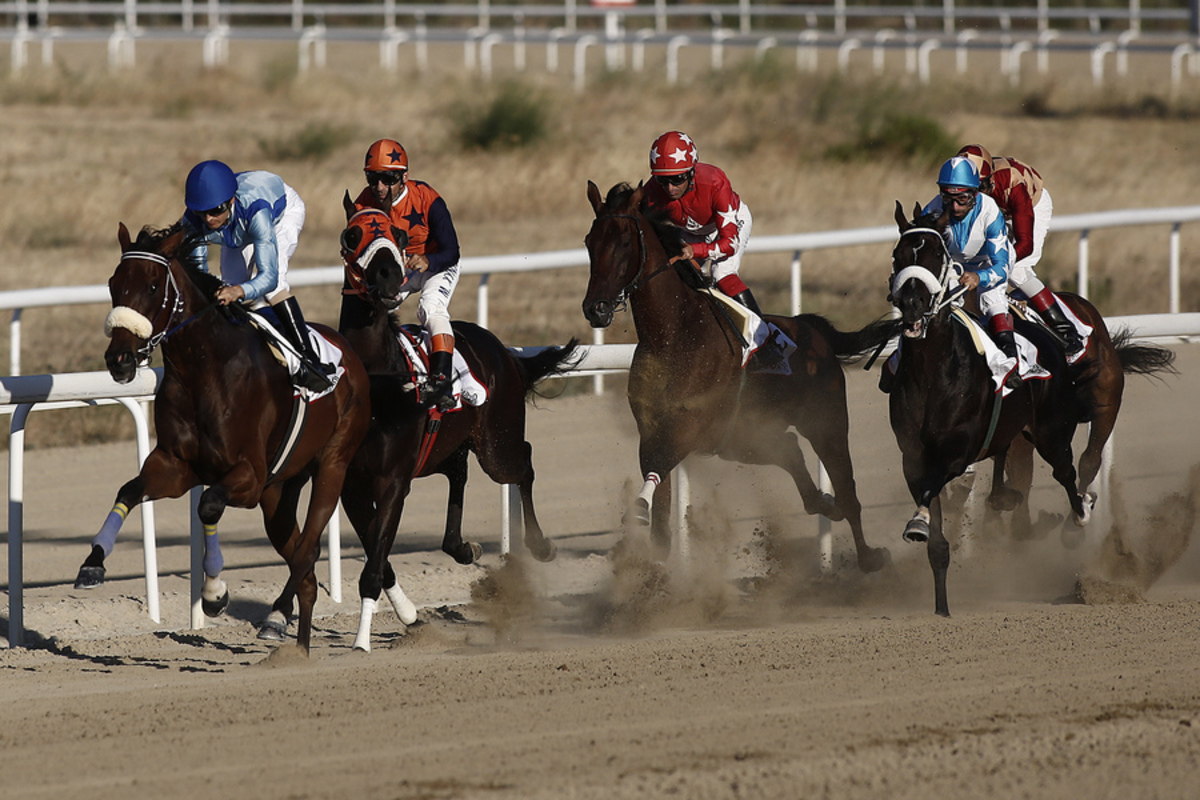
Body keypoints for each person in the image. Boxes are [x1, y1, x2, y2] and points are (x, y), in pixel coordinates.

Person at [179, 159, 334, 392]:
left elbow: (268, 276)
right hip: (237, 228)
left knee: (271, 286)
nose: (209, 220)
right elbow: (198, 273)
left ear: (230, 201)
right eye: (202, 213)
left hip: (280, 215)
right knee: (231, 288)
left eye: (216, 211)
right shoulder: (192, 221)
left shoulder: (256, 209)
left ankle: (309, 360)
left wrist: (239, 290)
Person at [641, 130, 782, 365]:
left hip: (729, 224)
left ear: (692, 172)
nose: (670, 188)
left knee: (720, 273)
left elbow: (729, 243)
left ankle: (765, 340)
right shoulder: (651, 192)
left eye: (677, 179)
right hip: (693, 231)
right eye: (663, 179)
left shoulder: (714, 181)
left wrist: (695, 251)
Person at [347, 138, 462, 409]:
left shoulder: (428, 198)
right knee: (373, 305)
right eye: (372, 178)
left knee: (430, 308)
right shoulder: (364, 203)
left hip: (437, 264)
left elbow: (452, 251)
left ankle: (442, 379)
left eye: (388, 179)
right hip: (402, 269)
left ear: (404, 177)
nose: (379, 188)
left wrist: (428, 259)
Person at [957, 144, 1083, 356]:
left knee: (1017, 269)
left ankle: (1065, 331)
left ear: (991, 180)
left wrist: (995, 269)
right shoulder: (960, 195)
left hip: (1031, 204)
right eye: (967, 191)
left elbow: (1025, 244)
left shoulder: (1013, 184)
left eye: (980, 188)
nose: (975, 198)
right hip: (1001, 211)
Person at [925, 155, 1023, 390]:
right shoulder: (933, 209)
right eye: (948, 198)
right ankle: (899, 361)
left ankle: (1009, 361)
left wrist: (979, 277)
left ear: (976, 193)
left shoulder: (989, 211)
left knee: (992, 300)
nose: (955, 207)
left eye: (962, 198)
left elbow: (1001, 265)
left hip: (989, 264)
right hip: (954, 267)